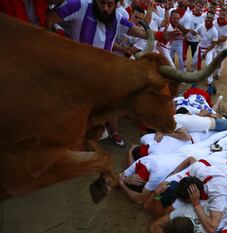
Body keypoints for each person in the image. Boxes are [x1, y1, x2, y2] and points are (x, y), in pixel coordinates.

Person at [46, 0, 181, 147]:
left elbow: (140, 31)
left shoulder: (117, 18)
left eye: (109, 5)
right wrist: (60, 37)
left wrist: (163, 36)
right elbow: (50, 19)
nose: (105, 8)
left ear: (115, 4)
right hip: (75, 74)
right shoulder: (79, 5)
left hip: (101, 77)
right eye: (102, 3)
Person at [192, 12, 218, 92]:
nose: (209, 19)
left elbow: (214, 44)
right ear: (205, 18)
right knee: (194, 63)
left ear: (213, 20)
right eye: (208, 18)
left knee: (208, 64)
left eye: (211, 18)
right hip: (200, 47)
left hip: (209, 49)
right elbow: (195, 33)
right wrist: (191, 31)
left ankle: (210, 82)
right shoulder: (201, 26)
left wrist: (206, 52)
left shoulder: (214, 31)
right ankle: (196, 76)